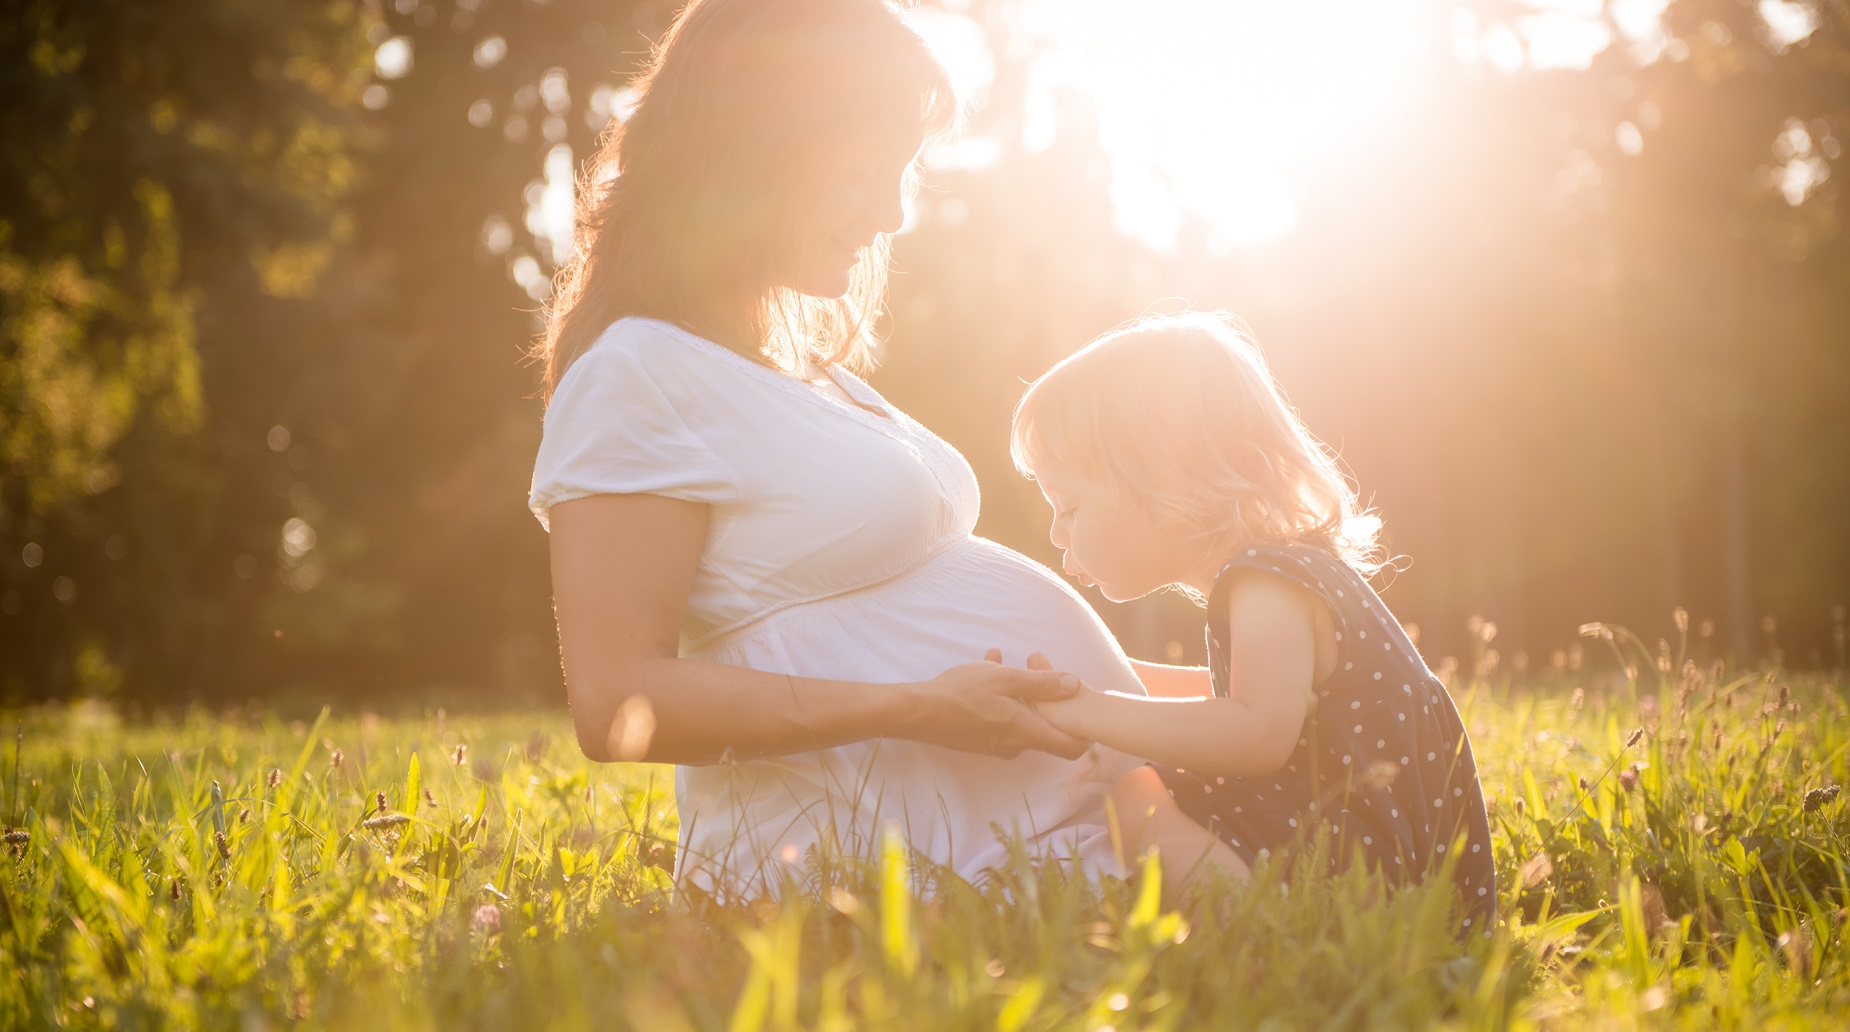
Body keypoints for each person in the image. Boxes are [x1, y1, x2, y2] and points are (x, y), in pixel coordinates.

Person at [527, 0, 1145, 898]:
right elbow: (616, 702)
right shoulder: (637, 371)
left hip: (1038, 840)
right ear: (753, 152)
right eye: (864, 174)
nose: (893, 214)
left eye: (903, 175)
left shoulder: (799, 369)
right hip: (865, 876)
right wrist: (918, 710)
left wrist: (1202, 691)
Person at [1008, 311, 1497, 931]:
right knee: (1158, 773)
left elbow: (1259, 730)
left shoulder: (1266, 579)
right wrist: (1110, 676)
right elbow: (1248, 701)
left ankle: (1265, 931)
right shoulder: (1286, 570)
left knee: (1133, 793)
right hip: (1381, 862)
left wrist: (1086, 712)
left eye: (1068, 506)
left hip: (1357, 884)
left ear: (1158, 483)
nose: (1056, 531)